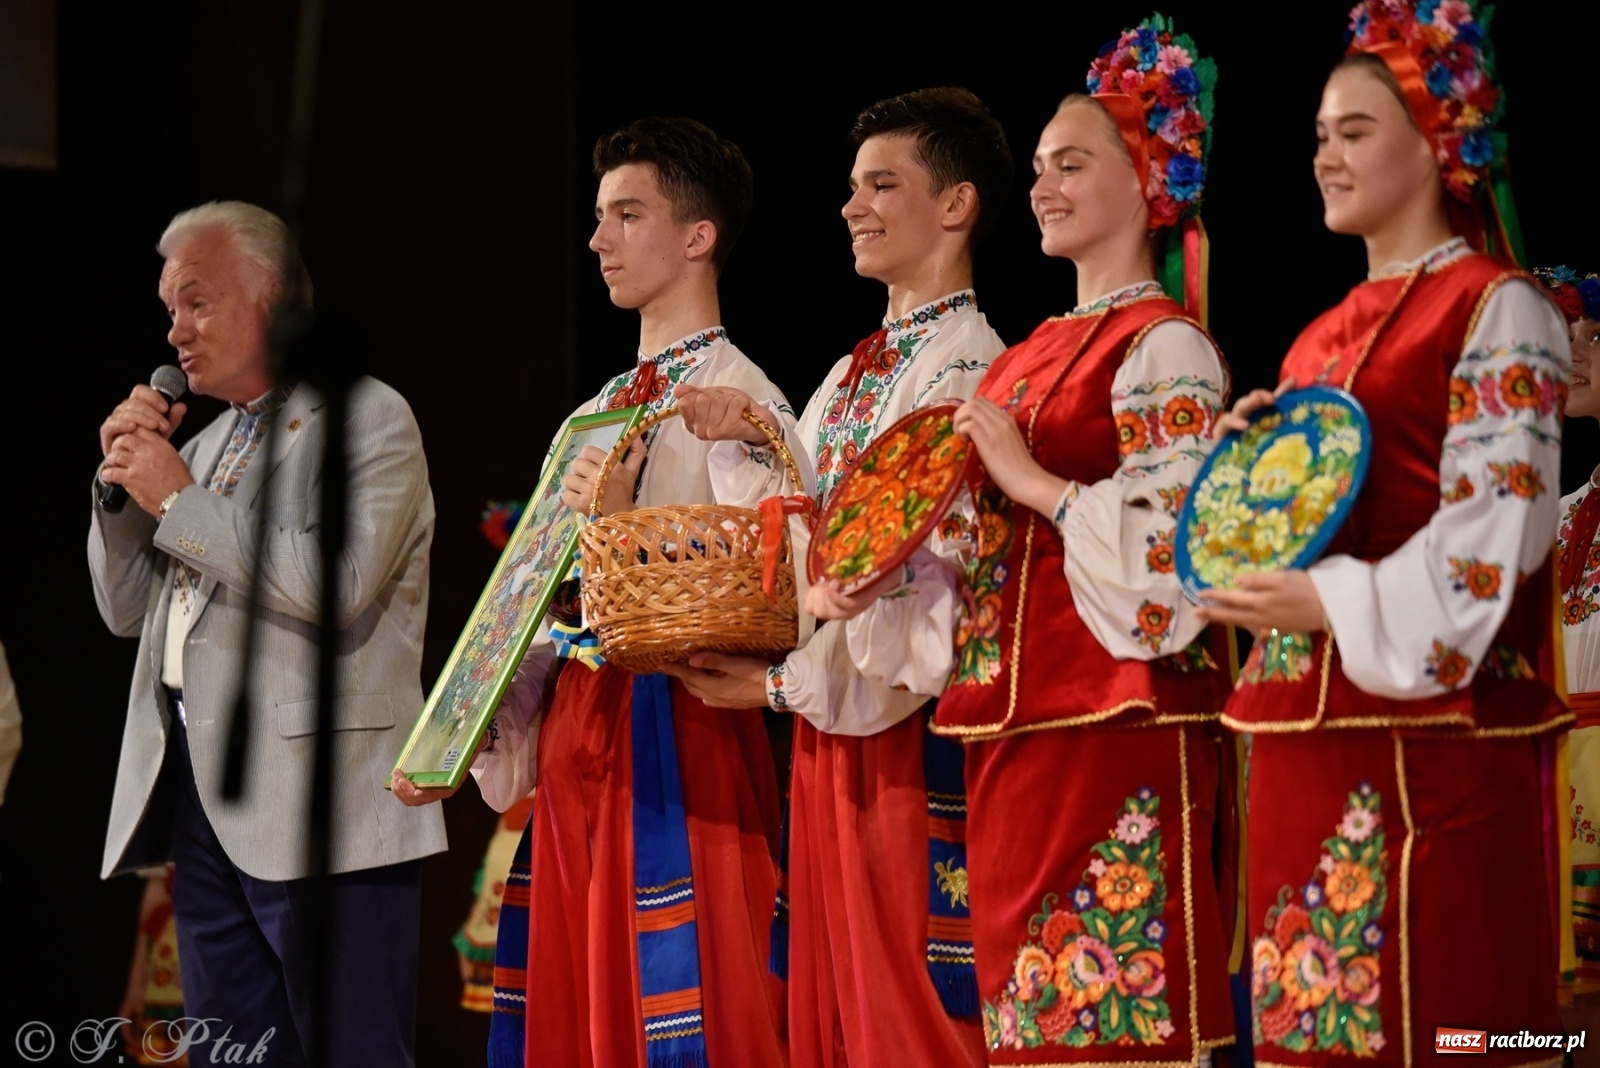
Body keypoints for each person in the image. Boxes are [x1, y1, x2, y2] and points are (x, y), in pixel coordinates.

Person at [821, 19, 1237, 1063]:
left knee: (1116, 1021)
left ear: (1147, 184)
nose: (1043, 187)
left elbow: (1176, 560)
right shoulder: (1031, 355)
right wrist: (886, 559)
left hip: (1114, 724)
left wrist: (1032, 483)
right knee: (1030, 1031)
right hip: (1010, 732)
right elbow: (976, 539)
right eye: (1042, 167)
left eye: (1071, 165)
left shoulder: (1166, 344)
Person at [1199, 3, 1570, 1063]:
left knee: (1454, 1020)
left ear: (1440, 142)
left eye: (1353, 131)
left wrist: (1323, 600)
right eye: (1319, 135)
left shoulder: (1497, 308)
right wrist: (1253, 480)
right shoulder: (1321, 336)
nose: (1325, 155)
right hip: (1305, 732)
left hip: (1436, 737)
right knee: (1315, 1026)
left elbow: (1501, 525)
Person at [393, 117, 798, 1068]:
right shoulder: (593, 412)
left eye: (626, 214)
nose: (598, 239)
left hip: (683, 728)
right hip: (583, 729)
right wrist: (469, 728)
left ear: (698, 236)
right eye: (599, 216)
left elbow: (768, 589)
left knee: (684, 1001)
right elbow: (541, 604)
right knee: (578, 1009)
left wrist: (618, 530)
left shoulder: (745, 402)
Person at [670, 87, 1011, 1067]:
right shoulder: (855, 370)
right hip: (834, 735)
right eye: (851, 188)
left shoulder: (966, 367)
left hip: (905, 735)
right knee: (832, 1007)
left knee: (905, 1007)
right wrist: (754, 448)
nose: (852, 207)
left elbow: (923, 591)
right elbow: (806, 537)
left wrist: (780, 685)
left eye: (880, 186)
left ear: (955, 206)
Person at [90, 200, 446, 1068]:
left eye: (198, 301)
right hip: (209, 807)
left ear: (272, 295)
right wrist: (122, 502)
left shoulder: (369, 416)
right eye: (171, 308)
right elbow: (126, 611)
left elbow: (340, 583)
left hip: (330, 810)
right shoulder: (208, 447)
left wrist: (177, 499)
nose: (176, 330)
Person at [1543, 265, 1600, 1055]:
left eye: (1596, 336)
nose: (1576, 353)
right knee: (1534, 1028)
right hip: (1550, 778)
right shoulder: (1557, 515)